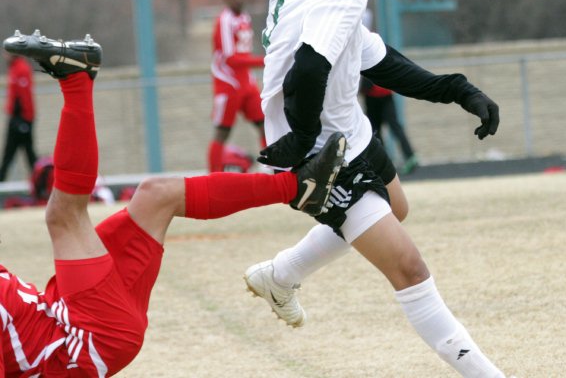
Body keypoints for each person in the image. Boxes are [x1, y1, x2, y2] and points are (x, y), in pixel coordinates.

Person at [245, 0, 510, 377]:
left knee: (397, 207)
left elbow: (381, 61)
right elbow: (305, 71)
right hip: (322, 146)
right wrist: (303, 146)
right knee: (409, 269)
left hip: (349, 131)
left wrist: (460, 90)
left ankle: (282, 275)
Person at [0, 29, 344, 376]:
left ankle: (299, 187)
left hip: (72, 314)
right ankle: (76, 80)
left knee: (156, 196)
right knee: (64, 218)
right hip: (84, 338)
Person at [208, 0, 266, 172]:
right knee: (223, 131)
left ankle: (271, 167)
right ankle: (213, 176)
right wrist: (262, 61)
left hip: (246, 82)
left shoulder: (245, 18)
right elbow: (230, 58)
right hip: (228, 83)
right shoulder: (224, 20)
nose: (238, 0)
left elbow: (244, 52)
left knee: (265, 123)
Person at [360, 8, 418, 174]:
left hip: (380, 94)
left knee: (386, 128)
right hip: (378, 94)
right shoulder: (368, 41)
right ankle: (387, 161)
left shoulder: (368, 42)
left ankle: (405, 157)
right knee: (379, 130)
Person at [0, 49, 37, 182]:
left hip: (21, 119)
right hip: (17, 117)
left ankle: (40, 183)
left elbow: (24, 97)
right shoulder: (14, 68)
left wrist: (24, 120)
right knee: (12, 154)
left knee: (26, 154)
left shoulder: (21, 69)